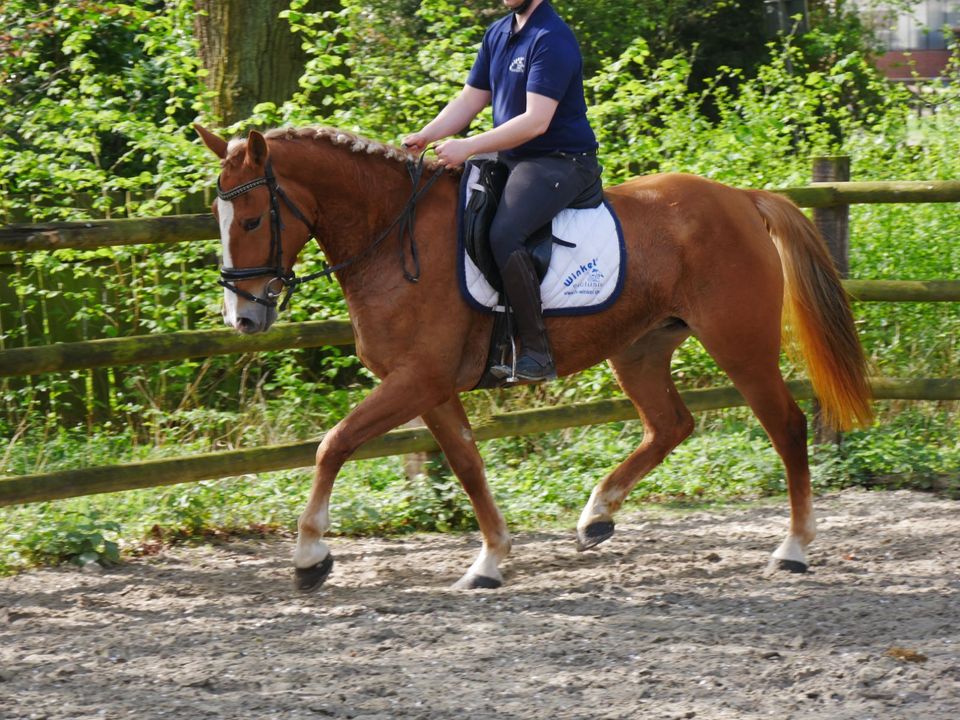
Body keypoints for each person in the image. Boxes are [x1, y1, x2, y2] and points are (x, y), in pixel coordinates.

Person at [403, 0, 601, 382]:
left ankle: (538, 352)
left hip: (561, 160)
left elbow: (535, 122)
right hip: (512, 158)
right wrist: (427, 135)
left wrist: (467, 146)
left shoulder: (552, 38)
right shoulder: (498, 33)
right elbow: (470, 100)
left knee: (505, 232)